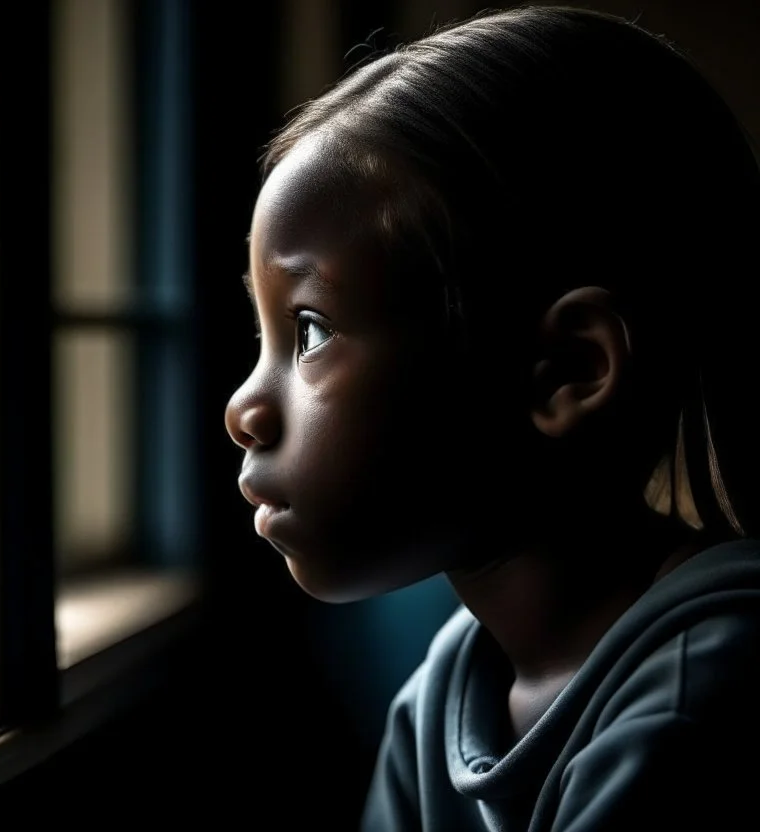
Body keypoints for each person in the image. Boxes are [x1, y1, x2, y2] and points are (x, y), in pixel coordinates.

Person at [223, 5, 760, 829]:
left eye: (310, 330)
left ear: (567, 372)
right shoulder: (447, 689)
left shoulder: (702, 700)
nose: (244, 408)